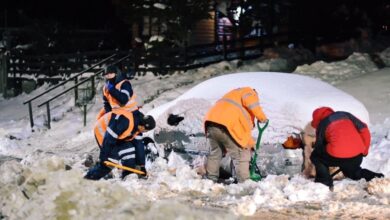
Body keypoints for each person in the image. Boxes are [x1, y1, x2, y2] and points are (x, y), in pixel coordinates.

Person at [204, 87, 268, 183]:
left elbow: (243, 133)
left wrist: (251, 145)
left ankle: (210, 180)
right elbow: (253, 104)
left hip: (211, 122)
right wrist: (262, 118)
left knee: (215, 154)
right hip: (227, 125)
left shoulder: (233, 97)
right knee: (241, 156)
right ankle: (245, 183)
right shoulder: (249, 91)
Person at [310, 107, 384, 189]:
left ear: (318, 119)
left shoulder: (323, 123)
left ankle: (324, 182)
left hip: (337, 155)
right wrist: (365, 150)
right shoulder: (346, 115)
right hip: (357, 156)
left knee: (315, 156)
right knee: (354, 173)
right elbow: (364, 130)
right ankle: (377, 177)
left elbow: (319, 146)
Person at [97, 65, 148, 175]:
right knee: (123, 141)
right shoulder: (106, 87)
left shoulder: (125, 84)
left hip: (133, 116)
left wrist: (112, 89)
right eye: (106, 75)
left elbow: (123, 99)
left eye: (110, 74)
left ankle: (141, 167)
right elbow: (107, 104)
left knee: (137, 140)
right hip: (120, 119)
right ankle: (128, 166)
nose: (108, 76)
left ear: (116, 73)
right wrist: (110, 116)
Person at [85, 108, 156, 180]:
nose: (145, 132)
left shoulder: (138, 125)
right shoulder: (126, 121)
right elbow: (109, 138)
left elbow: (139, 145)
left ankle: (128, 174)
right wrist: (104, 156)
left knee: (129, 148)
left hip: (115, 135)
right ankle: (88, 179)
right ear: (143, 126)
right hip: (103, 131)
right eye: (146, 130)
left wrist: (141, 166)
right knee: (110, 161)